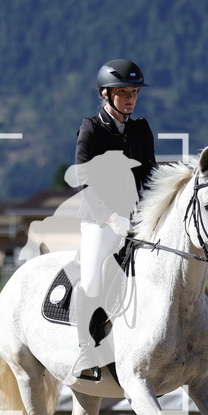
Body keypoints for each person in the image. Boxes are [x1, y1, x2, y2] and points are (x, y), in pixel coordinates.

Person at [67, 59, 157, 383]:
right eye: (123, 93)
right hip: (98, 220)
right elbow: (84, 181)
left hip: (135, 219)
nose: (130, 98)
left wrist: (147, 215)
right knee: (91, 280)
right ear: (106, 94)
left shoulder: (141, 129)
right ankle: (86, 350)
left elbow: (149, 177)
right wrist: (109, 217)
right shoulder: (91, 128)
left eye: (134, 92)